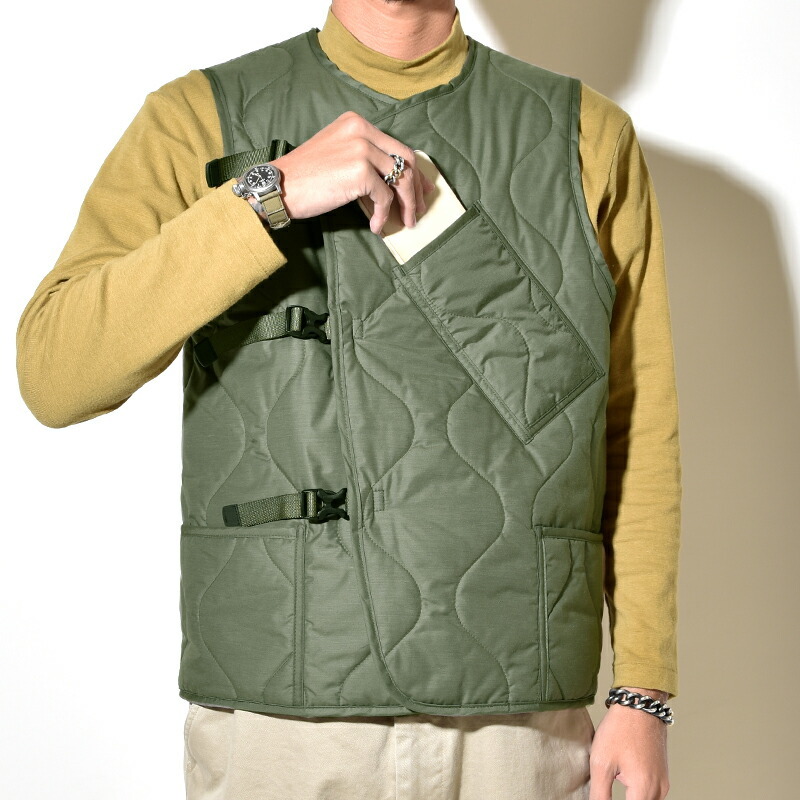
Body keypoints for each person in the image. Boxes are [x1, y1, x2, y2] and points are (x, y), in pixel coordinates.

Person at [15, 1, 681, 798]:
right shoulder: (195, 117)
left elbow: (637, 425)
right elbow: (55, 374)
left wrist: (644, 692)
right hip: (283, 723)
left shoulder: (590, 135)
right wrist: (267, 193)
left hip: (519, 725)